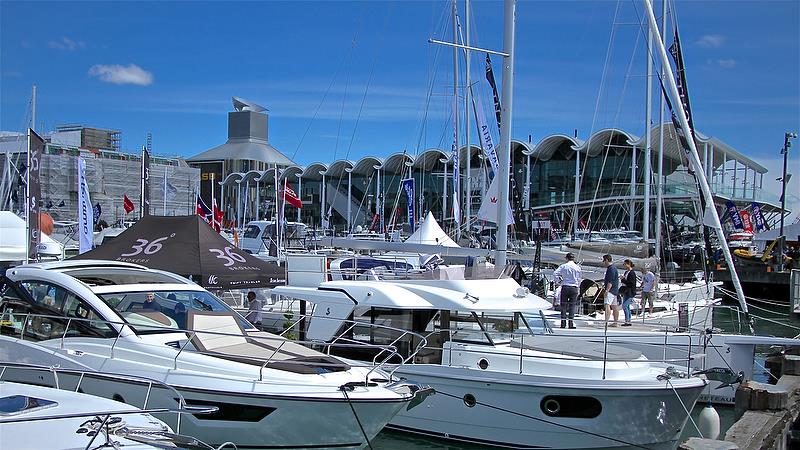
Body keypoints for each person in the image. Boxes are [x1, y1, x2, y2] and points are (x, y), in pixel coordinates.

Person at [553, 252, 582, 329]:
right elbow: (579, 279)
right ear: (573, 259)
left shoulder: (563, 266)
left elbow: (555, 274)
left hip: (565, 286)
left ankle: (563, 323)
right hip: (574, 287)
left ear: (566, 258)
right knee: (572, 306)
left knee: (564, 306)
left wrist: (559, 281)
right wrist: (578, 286)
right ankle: (571, 323)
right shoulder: (577, 267)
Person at [602, 254, 620, 327]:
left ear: (606, 260)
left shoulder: (610, 269)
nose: (603, 262)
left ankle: (606, 321)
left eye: (603, 260)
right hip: (615, 290)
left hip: (610, 290)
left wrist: (607, 290)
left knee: (607, 305)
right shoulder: (614, 268)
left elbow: (610, 281)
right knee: (614, 306)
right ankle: (615, 322)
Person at [619, 259, 637, 326]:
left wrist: (623, 280)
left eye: (624, 264)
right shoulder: (626, 272)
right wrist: (623, 279)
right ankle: (628, 320)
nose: (624, 265)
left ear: (628, 264)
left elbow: (631, 283)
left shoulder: (632, 273)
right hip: (626, 291)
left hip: (630, 291)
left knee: (625, 306)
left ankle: (627, 321)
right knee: (627, 306)